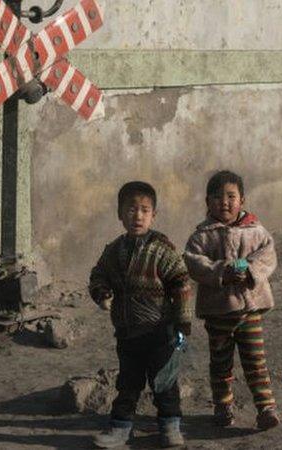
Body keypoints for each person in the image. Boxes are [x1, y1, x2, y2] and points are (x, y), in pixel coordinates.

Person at [88, 181, 194, 448]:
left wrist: (183, 321)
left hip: (160, 331)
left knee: (165, 383)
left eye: (144, 210)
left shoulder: (162, 249)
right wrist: (101, 293)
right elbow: (98, 275)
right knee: (128, 383)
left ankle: (170, 426)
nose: (137, 216)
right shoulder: (114, 250)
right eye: (131, 209)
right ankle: (121, 429)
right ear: (120, 214)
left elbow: (181, 283)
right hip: (128, 333)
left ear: (153, 215)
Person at [184, 170, 281, 430]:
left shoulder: (256, 231)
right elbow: (194, 263)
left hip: (250, 311)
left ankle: (266, 408)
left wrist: (250, 271)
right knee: (220, 364)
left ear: (242, 200)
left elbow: (268, 255)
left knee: (255, 362)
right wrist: (222, 271)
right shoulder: (202, 236)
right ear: (207, 202)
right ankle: (223, 406)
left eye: (230, 196)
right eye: (217, 197)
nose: (224, 202)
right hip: (219, 313)